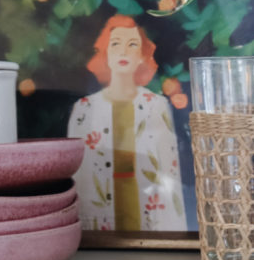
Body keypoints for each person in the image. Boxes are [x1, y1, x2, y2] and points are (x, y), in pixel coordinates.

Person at [67, 14, 185, 232]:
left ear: (142, 55)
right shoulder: (84, 109)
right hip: (99, 224)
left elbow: (170, 172)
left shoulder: (156, 105)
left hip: (148, 211)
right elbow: (76, 175)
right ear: (106, 53)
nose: (123, 51)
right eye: (115, 44)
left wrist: (174, 231)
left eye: (132, 45)